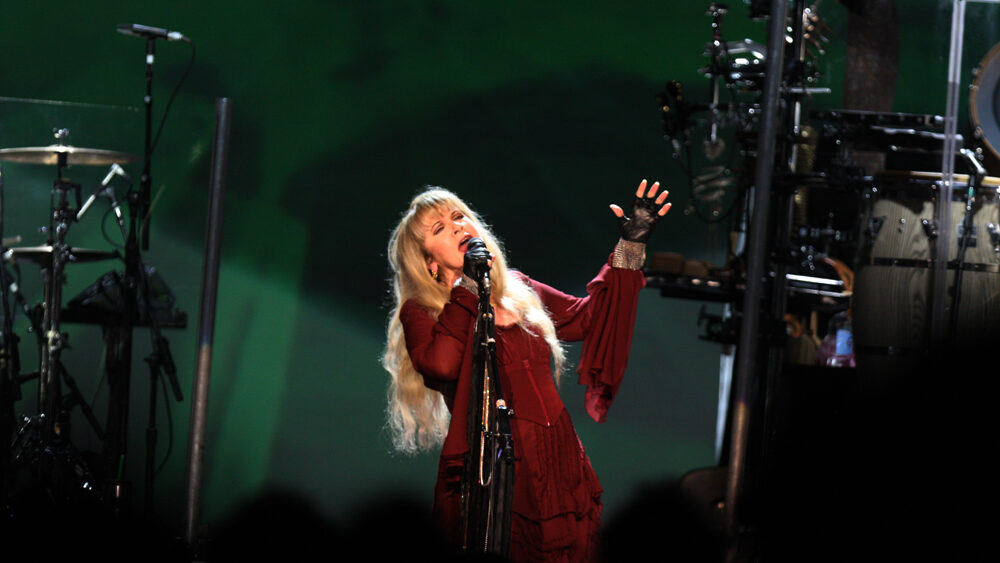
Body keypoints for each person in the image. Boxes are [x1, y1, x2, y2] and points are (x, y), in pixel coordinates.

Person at [382, 181, 670, 562]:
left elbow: (587, 319)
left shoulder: (518, 288)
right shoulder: (423, 311)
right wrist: (468, 284)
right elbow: (442, 363)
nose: (456, 226)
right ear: (429, 263)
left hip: (558, 457)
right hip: (496, 470)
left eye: (459, 216)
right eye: (439, 229)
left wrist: (631, 247)